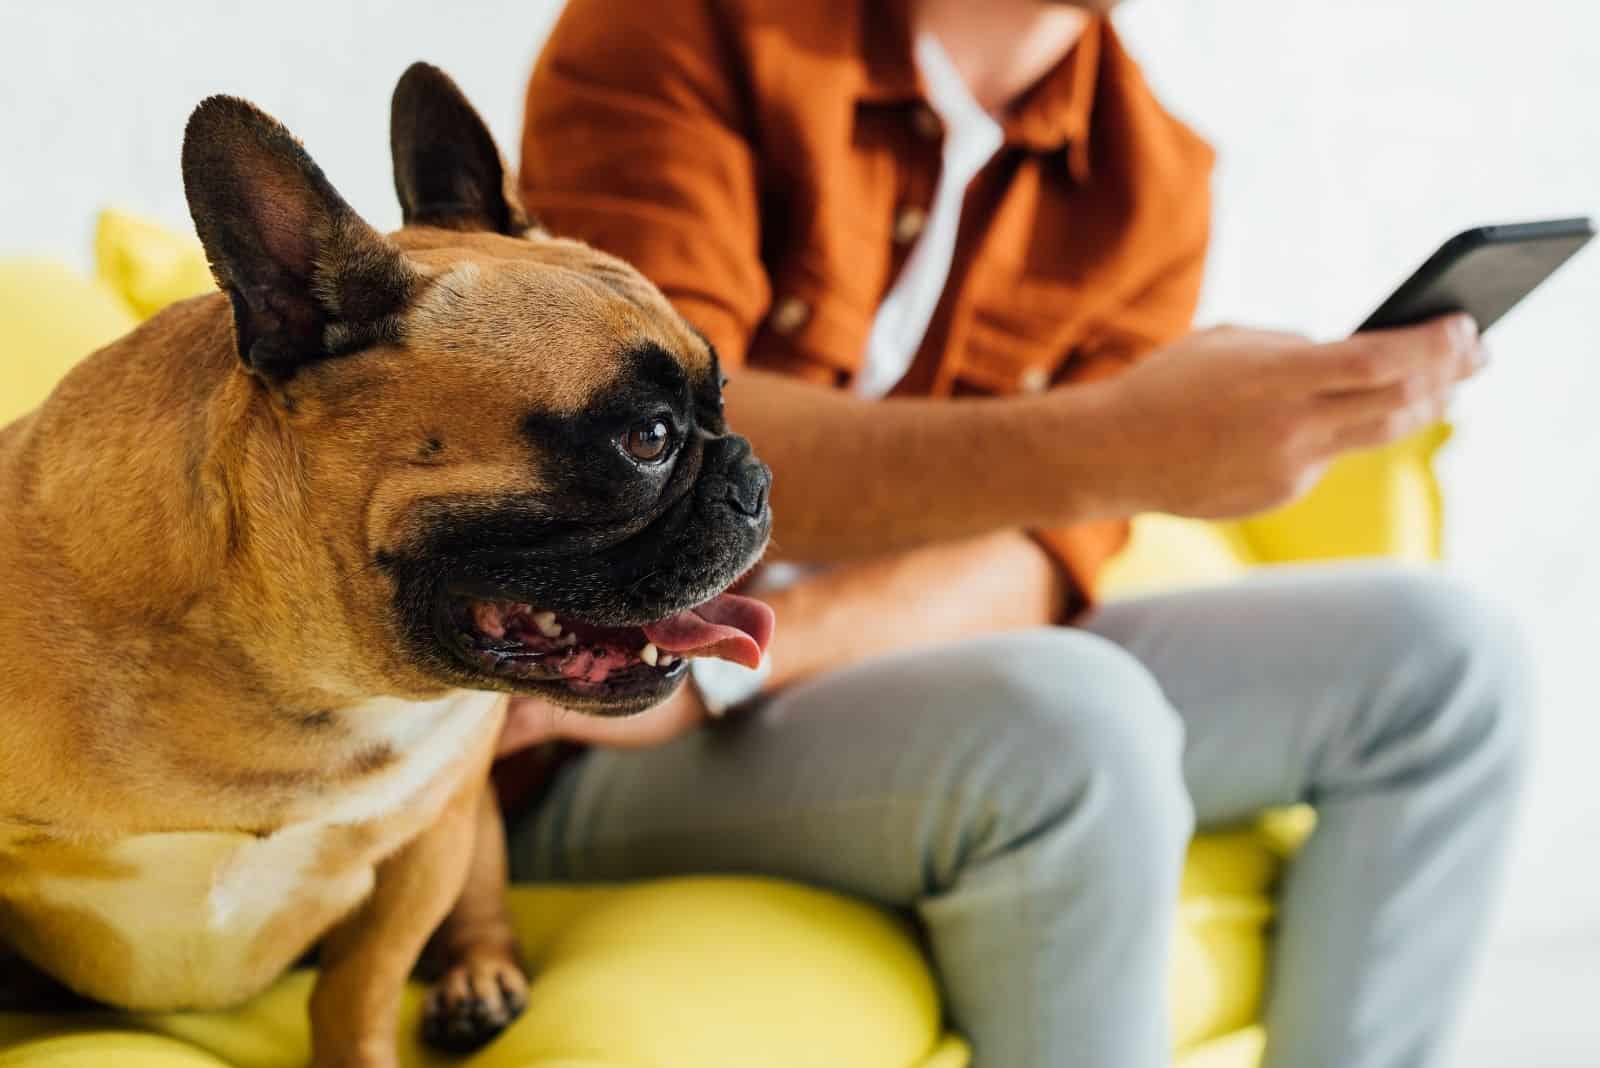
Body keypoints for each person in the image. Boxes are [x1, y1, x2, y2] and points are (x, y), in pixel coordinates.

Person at [496, 1, 1531, 1064]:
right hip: (610, 699)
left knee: (1445, 660)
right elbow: (651, 452)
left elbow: (1044, 560)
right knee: (1077, 723)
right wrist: (1122, 446)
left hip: (781, 670)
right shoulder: (683, 29)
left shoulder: (1152, 176)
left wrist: (751, 665)